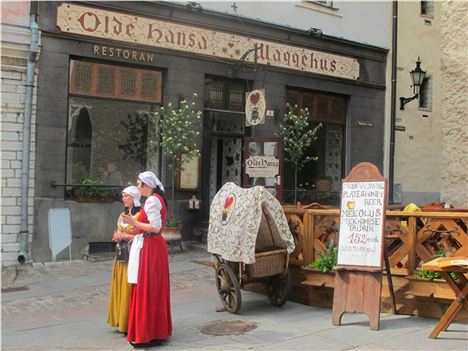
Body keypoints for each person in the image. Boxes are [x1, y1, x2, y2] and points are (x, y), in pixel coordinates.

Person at [122, 171, 172, 346]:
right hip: (153, 246)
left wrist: (134, 223)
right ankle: (156, 331)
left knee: (146, 288)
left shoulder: (152, 200)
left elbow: (155, 227)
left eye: (139, 184)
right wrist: (136, 226)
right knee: (153, 288)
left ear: (147, 185)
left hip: (151, 248)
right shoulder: (156, 199)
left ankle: (147, 334)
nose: (137, 187)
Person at [107, 186, 142, 334]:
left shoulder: (140, 215)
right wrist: (117, 236)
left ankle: (128, 321)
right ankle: (119, 319)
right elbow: (120, 231)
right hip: (121, 255)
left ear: (134, 197)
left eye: (127, 196)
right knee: (120, 285)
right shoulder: (122, 215)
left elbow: (142, 236)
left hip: (133, 255)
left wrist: (124, 236)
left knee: (128, 286)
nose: (124, 199)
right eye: (123, 196)